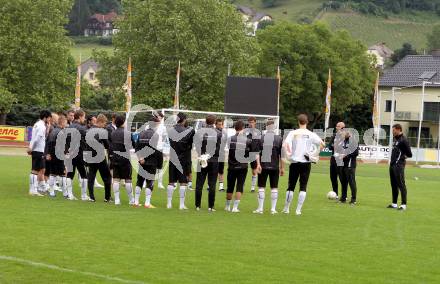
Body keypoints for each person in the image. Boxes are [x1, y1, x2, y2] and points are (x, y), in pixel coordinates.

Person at [282, 114, 324, 215]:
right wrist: (314, 155)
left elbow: (285, 144)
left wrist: (288, 154)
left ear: (298, 122)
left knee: (291, 186)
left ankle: (287, 208)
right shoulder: (311, 134)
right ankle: (298, 210)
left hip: (295, 162)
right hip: (306, 162)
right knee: (303, 186)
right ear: (307, 122)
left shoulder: (293, 133)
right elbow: (322, 144)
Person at [225, 120, 260, 213]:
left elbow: (229, 151)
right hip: (242, 167)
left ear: (235, 128)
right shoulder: (248, 141)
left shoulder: (229, 139)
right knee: (240, 186)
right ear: (243, 128)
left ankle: (227, 206)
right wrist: (255, 166)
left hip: (231, 166)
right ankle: (235, 207)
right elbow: (252, 155)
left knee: (230, 186)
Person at [253, 119, 284, 214]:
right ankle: (273, 209)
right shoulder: (279, 139)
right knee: (274, 187)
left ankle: (260, 208)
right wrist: (282, 167)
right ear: (274, 127)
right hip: (274, 166)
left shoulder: (261, 138)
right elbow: (281, 155)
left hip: (263, 166)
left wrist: (258, 164)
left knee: (261, 187)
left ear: (266, 127)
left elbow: (257, 153)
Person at [194, 115, 224, 212]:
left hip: (202, 159)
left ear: (206, 122)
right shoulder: (218, 133)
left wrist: (201, 155)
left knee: (199, 183)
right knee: (212, 184)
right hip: (214, 160)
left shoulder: (199, 132)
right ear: (214, 122)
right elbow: (218, 148)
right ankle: (211, 206)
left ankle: (197, 205)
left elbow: (197, 146)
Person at [166, 113, 195, 210]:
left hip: (173, 158)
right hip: (183, 159)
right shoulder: (189, 131)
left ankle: (169, 203)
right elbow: (191, 145)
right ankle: (181, 204)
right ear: (184, 120)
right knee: (183, 182)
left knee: (171, 181)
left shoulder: (170, 130)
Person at [134, 114, 162, 208]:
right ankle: (147, 203)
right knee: (150, 182)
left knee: (139, 181)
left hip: (141, 162)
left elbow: (136, 147)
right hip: (151, 161)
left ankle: (136, 202)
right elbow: (152, 149)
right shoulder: (156, 135)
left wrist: (141, 158)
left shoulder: (141, 133)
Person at [85, 114, 112, 202]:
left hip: (90, 155)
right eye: (104, 123)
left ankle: (92, 197)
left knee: (91, 176)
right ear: (100, 122)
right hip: (99, 156)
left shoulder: (88, 130)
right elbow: (107, 145)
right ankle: (107, 197)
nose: (105, 125)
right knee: (107, 176)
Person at [110, 115, 135, 205]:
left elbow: (110, 145)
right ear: (123, 122)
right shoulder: (128, 133)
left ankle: (117, 200)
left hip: (115, 158)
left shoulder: (112, 133)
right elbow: (133, 145)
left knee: (116, 179)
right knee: (128, 179)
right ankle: (131, 200)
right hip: (125, 158)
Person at [66, 109, 90, 201]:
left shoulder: (69, 127)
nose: (84, 119)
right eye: (83, 116)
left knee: (70, 174)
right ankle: (83, 195)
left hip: (70, 153)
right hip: (80, 153)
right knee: (84, 174)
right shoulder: (82, 128)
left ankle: (70, 194)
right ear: (80, 117)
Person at [388, 124, 412, 210]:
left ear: (398, 130)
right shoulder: (396, 140)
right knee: (394, 185)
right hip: (392, 165)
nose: (392, 132)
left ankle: (403, 204)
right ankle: (394, 203)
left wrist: (402, 158)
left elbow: (410, 154)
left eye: (393, 130)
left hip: (399, 166)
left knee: (401, 184)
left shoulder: (403, 140)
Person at [28, 110, 51, 196]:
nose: (49, 120)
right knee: (35, 170)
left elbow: (34, 138)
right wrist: (31, 148)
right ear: (45, 117)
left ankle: (39, 187)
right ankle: (33, 190)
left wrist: (31, 147)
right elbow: (37, 138)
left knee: (41, 169)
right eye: (49, 118)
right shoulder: (42, 126)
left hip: (36, 150)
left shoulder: (37, 124)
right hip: (38, 150)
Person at [46, 113, 68, 197]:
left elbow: (49, 143)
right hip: (59, 155)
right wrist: (66, 152)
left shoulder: (53, 131)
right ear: (62, 122)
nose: (66, 125)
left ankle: (51, 192)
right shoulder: (61, 132)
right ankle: (65, 193)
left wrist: (48, 153)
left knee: (53, 173)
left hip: (52, 155)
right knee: (62, 174)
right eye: (65, 123)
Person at [336, 130, 359, 205]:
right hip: (342, 164)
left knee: (351, 182)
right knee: (343, 182)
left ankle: (353, 199)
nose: (342, 135)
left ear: (347, 134)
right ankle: (343, 198)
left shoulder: (353, 141)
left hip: (350, 165)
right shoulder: (343, 141)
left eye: (343, 134)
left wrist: (347, 155)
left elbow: (356, 153)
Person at [328, 122, 345, 198]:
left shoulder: (345, 136)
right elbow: (329, 146)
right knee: (333, 177)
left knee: (342, 178)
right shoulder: (334, 136)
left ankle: (344, 195)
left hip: (341, 160)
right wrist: (335, 146)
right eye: (336, 126)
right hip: (333, 159)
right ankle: (335, 194)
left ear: (343, 127)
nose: (336, 127)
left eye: (338, 126)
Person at [246, 116, 260, 193]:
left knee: (254, 171)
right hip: (245, 153)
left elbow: (258, 143)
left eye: (252, 122)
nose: (251, 124)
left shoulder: (258, 132)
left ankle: (252, 187)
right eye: (249, 122)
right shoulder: (245, 131)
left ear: (255, 122)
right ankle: (241, 185)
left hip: (253, 153)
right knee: (242, 170)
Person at [215, 118, 226, 192]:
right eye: (219, 124)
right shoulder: (212, 132)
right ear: (215, 125)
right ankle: (210, 185)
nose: (220, 126)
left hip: (221, 153)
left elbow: (224, 143)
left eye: (221, 124)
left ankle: (221, 187)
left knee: (221, 170)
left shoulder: (224, 133)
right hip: (213, 154)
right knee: (212, 170)